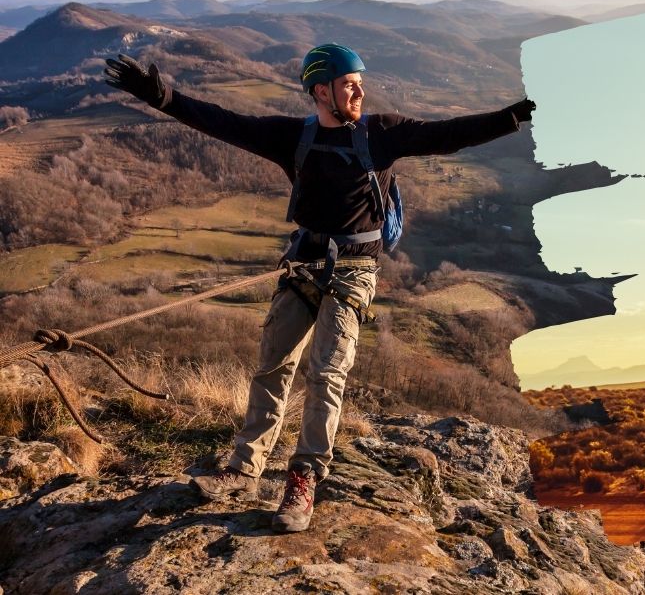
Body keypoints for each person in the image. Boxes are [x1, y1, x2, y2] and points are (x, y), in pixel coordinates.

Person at [102, 44, 536, 533]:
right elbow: (222, 121)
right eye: (350, 83)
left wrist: (513, 115)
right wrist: (161, 97)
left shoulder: (383, 133)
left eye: (360, 82)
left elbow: (449, 135)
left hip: (354, 271)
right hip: (302, 265)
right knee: (272, 366)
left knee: (326, 373)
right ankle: (244, 468)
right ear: (321, 90)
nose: (360, 91)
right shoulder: (293, 137)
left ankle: (303, 478)